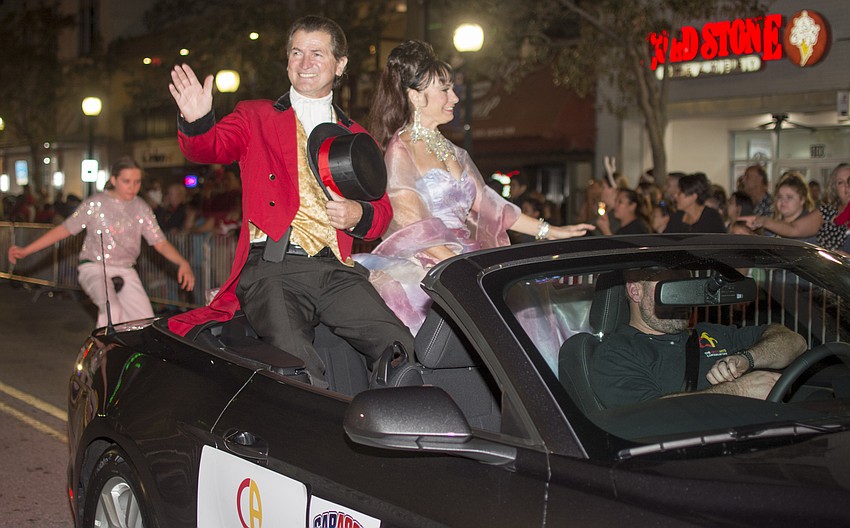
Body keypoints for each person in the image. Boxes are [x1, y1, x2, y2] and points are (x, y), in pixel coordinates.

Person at [165, 15, 414, 388]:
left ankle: (400, 419)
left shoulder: (355, 135)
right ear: (287, 62)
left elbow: (381, 213)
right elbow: (210, 147)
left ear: (340, 64)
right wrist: (197, 121)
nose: (305, 62)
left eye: (317, 53)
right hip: (274, 269)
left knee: (400, 349)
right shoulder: (256, 115)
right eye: (296, 53)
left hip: (336, 271)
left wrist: (356, 214)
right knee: (296, 366)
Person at [356, 40, 593, 335]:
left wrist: (550, 231)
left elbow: (491, 205)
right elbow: (414, 231)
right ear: (415, 96)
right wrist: (464, 268)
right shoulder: (400, 152)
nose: (454, 97)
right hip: (427, 263)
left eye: (453, 88)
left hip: (464, 254)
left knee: (528, 308)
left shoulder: (452, 150)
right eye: (445, 90)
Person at [7, 157, 195, 327]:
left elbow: (160, 242)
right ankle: (102, 352)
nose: (132, 187)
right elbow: (64, 229)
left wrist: (182, 262)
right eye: (126, 181)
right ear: (113, 180)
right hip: (95, 267)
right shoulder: (96, 203)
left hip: (126, 269)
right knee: (113, 310)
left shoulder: (141, 208)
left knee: (145, 322)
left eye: (137, 182)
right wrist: (26, 250)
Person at [588, 269, 806, 408]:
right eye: (673, 288)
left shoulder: (711, 333)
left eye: (687, 287)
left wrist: (747, 358)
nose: (684, 298)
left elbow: (796, 342)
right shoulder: (615, 353)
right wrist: (739, 390)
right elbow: (651, 416)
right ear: (635, 291)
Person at [742, 172, 822, 244]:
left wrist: (765, 222)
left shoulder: (810, 228)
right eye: (780, 197)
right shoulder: (771, 228)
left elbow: (792, 230)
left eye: (789, 197)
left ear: (802, 200)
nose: (783, 201)